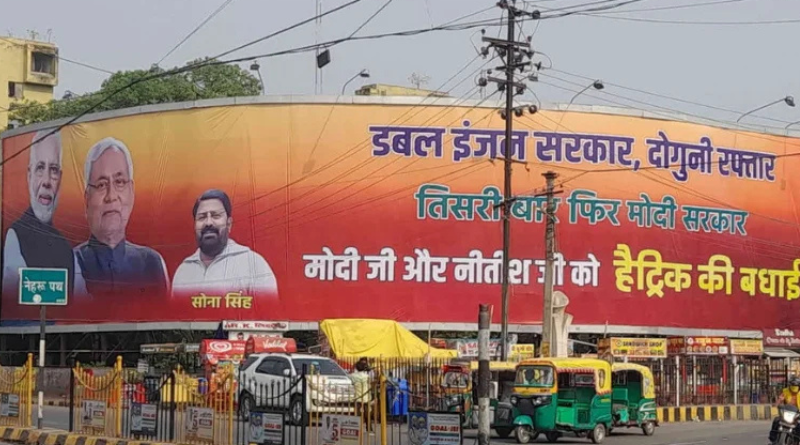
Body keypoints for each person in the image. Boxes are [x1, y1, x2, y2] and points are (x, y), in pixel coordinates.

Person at [74, 137, 169, 298]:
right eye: (101, 184)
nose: (111, 196)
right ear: (87, 199)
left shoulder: (152, 263)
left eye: (119, 182)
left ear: (131, 193)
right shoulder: (71, 263)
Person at [3, 130, 87, 297]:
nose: (47, 181)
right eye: (40, 168)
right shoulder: (13, 237)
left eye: (54, 170)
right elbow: (13, 299)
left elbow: (83, 303)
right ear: (29, 176)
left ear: (60, 180)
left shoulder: (66, 249)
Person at [171, 189, 278, 297]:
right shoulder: (183, 271)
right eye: (202, 217)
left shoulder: (254, 265)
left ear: (229, 224)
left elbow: (269, 312)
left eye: (215, 215)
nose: (208, 223)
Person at [768, 376, 800, 443]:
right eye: (793, 385)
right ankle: (773, 438)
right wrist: (777, 403)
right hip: (787, 413)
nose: (794, 387)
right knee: (776, 420)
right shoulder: (785, 391)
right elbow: (779, 401)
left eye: (796, 385)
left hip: (797, 415)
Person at [351, 358, 373, 433]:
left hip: (357, 398)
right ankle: (369, 428)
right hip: (366, 397)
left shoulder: (353, 376)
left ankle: (357, 428)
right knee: (367, 414)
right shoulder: (366, 376)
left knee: (358, 415)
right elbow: (370, 383)